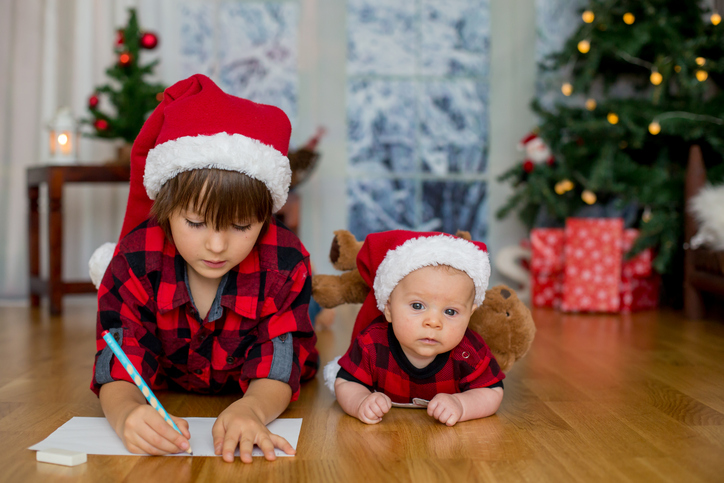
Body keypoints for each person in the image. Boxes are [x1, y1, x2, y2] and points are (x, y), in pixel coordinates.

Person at [89, 74, 318, 463]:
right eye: (195, 223)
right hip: (172, 382)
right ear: (164, 208)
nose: (216, 246)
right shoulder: (133, 259)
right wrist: (125, 411)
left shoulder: (285, 262)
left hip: (250, 383)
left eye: (241, 226)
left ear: (266, 216)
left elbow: (279, 359)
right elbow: (118, 357)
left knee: (304, 326)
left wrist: (253, 409)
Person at [331, 230, 504, 426]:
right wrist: (360, 400)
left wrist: (461, 404)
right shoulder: (372, 344)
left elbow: (493, 391)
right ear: (388, 308)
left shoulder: (468, 353)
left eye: (450, 312)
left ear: (470, 314)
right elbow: (346, 381)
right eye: (417, 306)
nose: (433, 322)